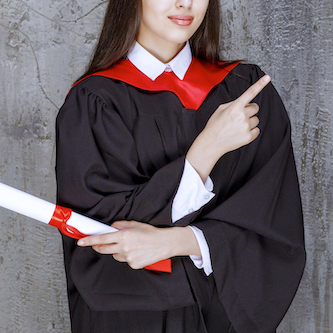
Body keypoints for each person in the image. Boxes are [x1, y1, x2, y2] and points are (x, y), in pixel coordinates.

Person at [55, 0, 306, 332]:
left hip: (221, 316)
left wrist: (175, 242)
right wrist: (205, 150)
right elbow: (101, 235)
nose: (184, 3)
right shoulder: (93, 102)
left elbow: (272, 220)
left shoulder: (245, 92)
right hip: (131, 321)